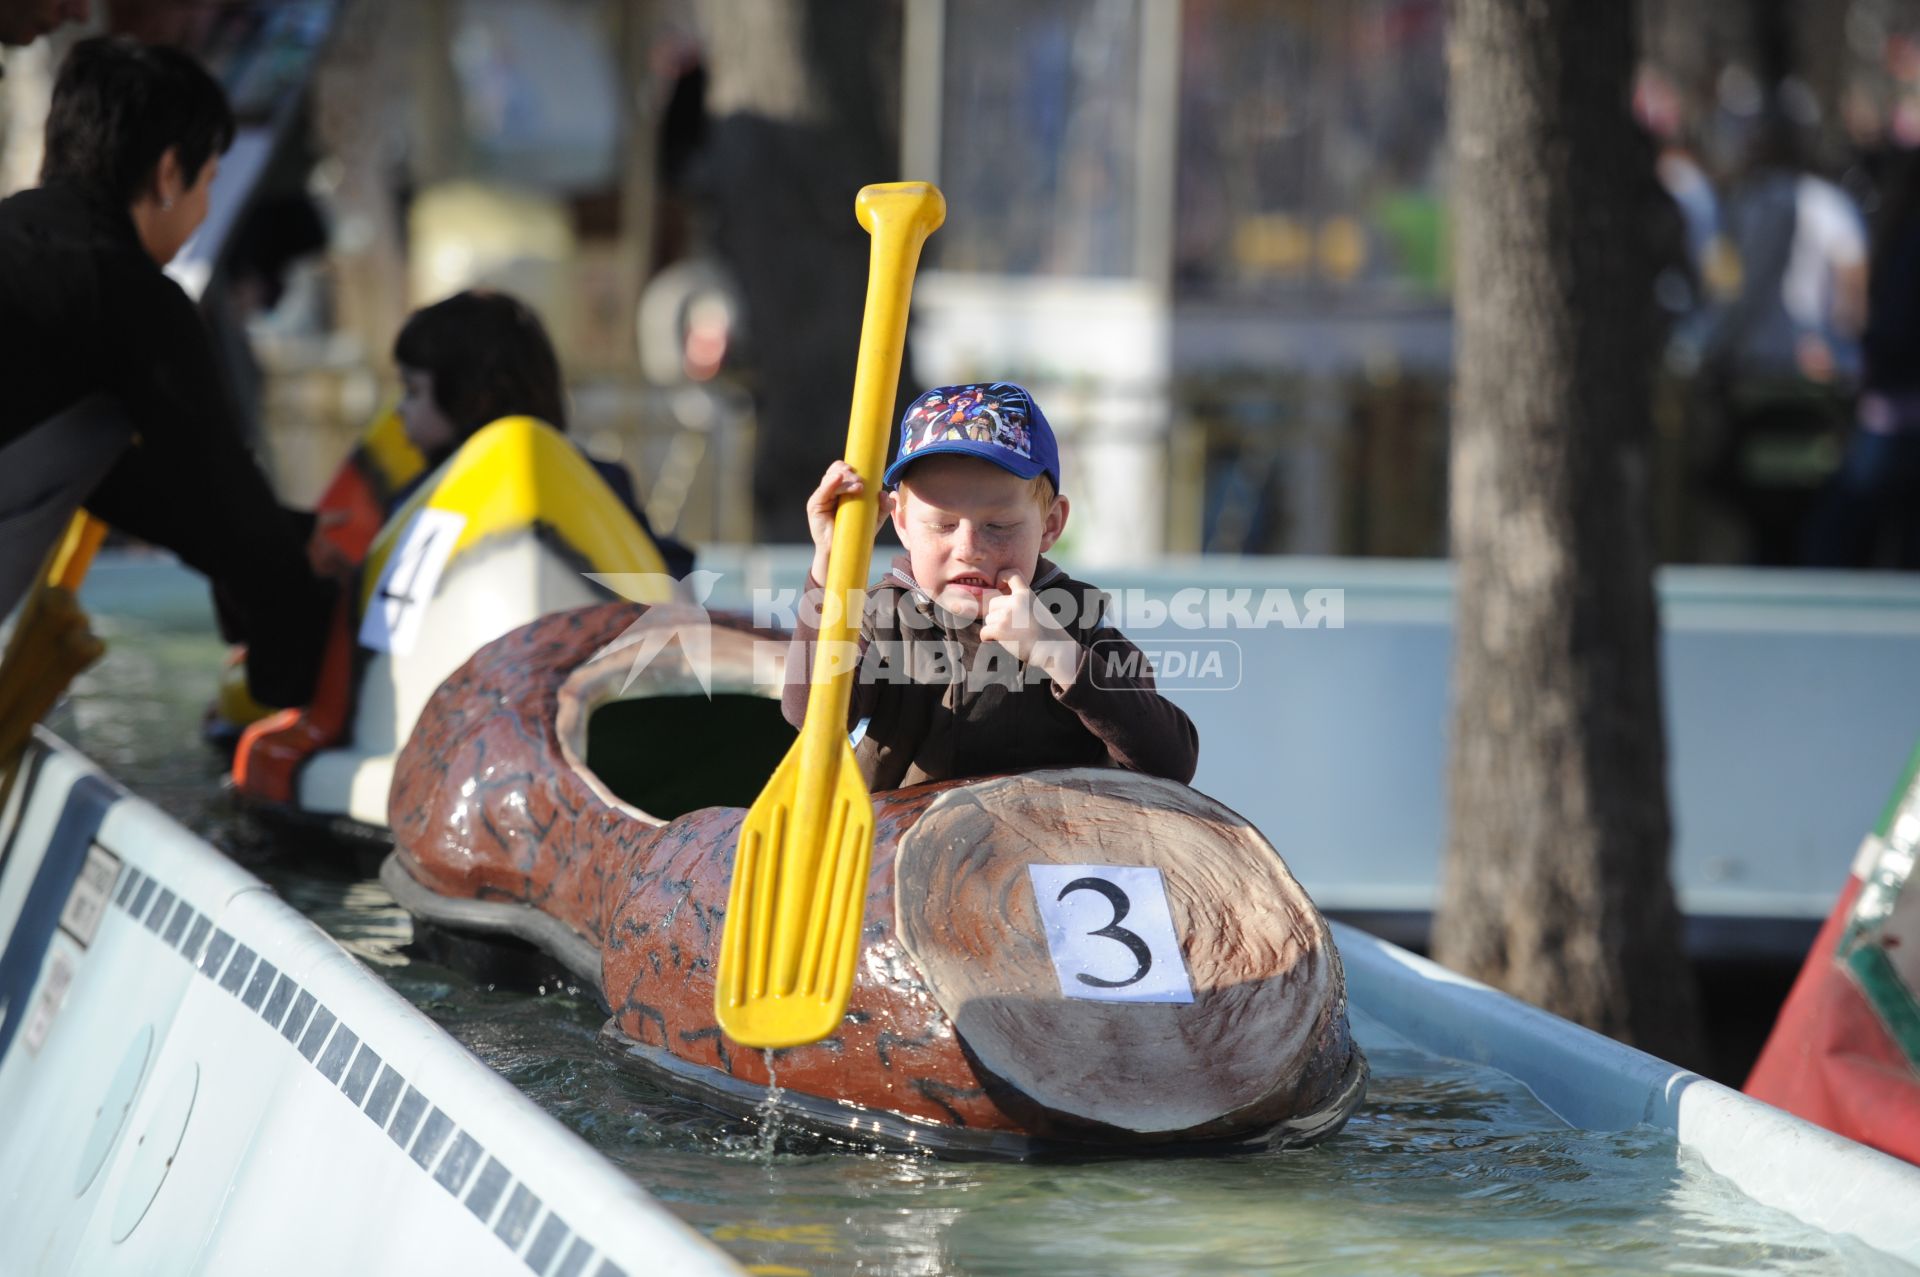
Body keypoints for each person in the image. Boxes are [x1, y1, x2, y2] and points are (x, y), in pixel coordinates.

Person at [0, 36, 331, 707]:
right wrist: (293, 684)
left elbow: (116, 480)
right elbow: (223, 499)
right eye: (208, 180)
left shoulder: (22, 248)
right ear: (168, 171)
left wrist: (290, 531)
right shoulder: (127, 293)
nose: (204, 210)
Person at [783, 381, 1197, 790]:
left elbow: (1171, 761)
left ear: (1050, 525)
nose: (969, 548)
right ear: (903, 524)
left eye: (998, 527)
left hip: (1050, 844)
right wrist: (833, 566)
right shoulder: (881, 616)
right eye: (942, 526)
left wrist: (1060, 655)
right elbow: (812, 716)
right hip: (903, 846)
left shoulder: (1074, 621)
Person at [379, 288, 695, 578]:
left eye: (412, 390)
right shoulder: (594, 481)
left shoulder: (421, 505)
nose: (400, 410)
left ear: (470, 395)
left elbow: (662, 572)